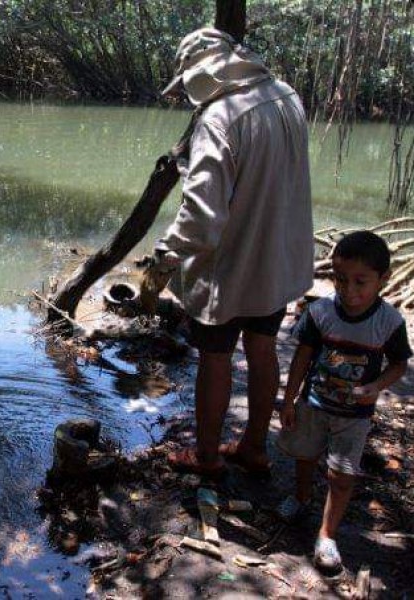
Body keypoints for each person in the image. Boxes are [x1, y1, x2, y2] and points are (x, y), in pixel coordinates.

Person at [153, 27, 314, 476]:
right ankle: (255, 448)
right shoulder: (287, 96)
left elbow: (202, 219)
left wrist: (167, 251)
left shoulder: (220, 118)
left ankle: (206, 460)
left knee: (216, 357)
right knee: (263, 349)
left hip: (232, 268)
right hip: (278, 260)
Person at [276, 231, 411, 572]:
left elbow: (398, 364)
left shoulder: (389, 322)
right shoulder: (320, 312)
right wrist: (289, 400)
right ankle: (302, 498)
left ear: (384, 279)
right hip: (314, 405)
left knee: (342, 474)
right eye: (339, 279)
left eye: (360, 282)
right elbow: (302, 357)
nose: (349, 290)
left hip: (355, 415)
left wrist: (376, 386)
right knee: (305, 456)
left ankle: (327, 535)